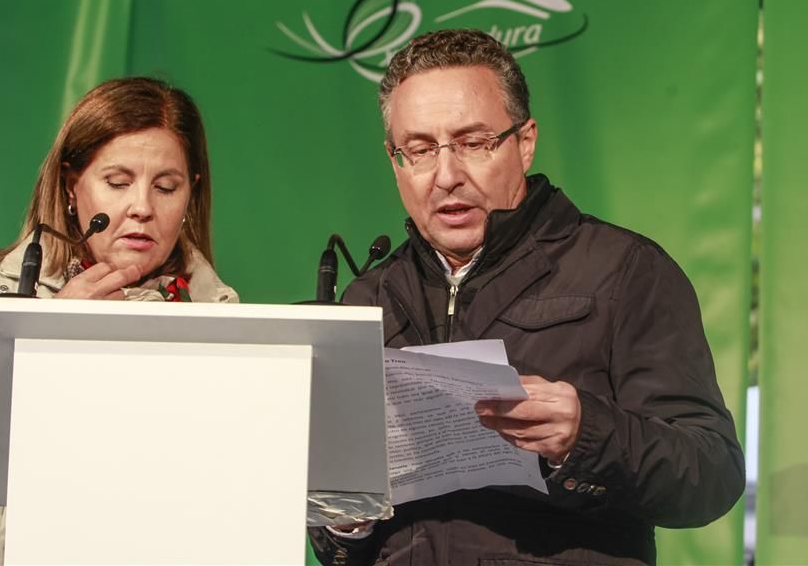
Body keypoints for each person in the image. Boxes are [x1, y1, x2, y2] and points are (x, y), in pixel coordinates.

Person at [309, 30, 744, 565]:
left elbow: (712, 475)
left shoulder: (624, 271)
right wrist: (345, 515)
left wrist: (585, 434)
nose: (446, 175)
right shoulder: (365, 300)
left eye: (473, 143)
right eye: (419, 151)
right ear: (394, 159)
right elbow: (337, 545)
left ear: (525, 140)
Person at [0, 77, 238, 565]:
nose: (142, 206)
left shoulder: (225, 323)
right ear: (72, 187)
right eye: (118, 183)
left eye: (166, 187)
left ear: (190, 195)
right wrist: (36, 336)